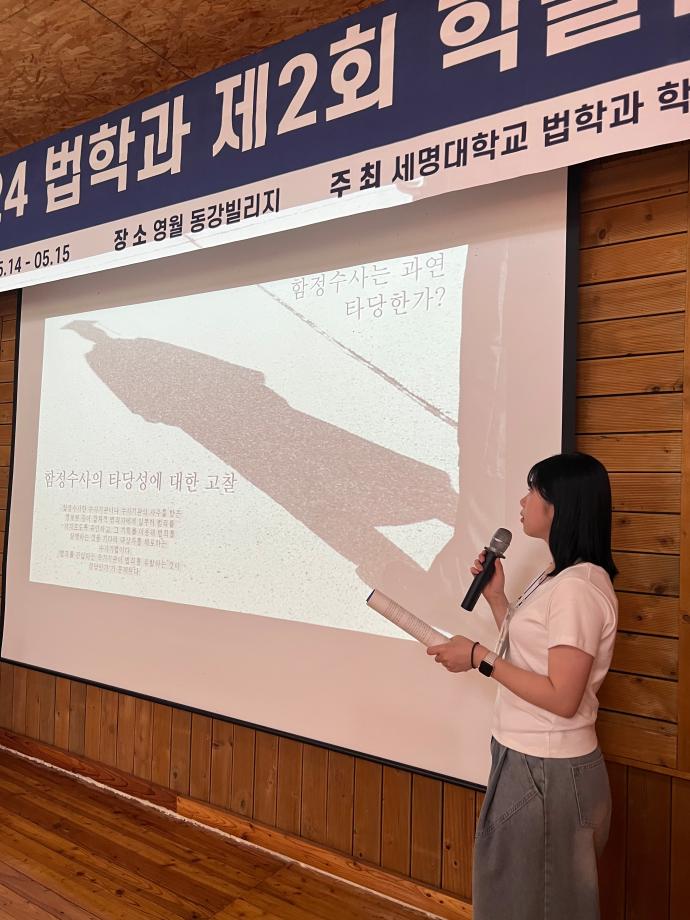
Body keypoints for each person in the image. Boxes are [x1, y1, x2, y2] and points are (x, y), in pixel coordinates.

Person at [427, 452, 618, 920]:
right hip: (526, 760)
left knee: (538, 907)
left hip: (548, 770)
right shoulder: (557, 577)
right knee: (514, 901)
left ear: (559, 506)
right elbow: (530, 654)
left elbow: (562, 697)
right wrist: (496, 598)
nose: (522, 500)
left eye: (533, 491)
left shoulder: (578, 588)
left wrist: (478, 657)